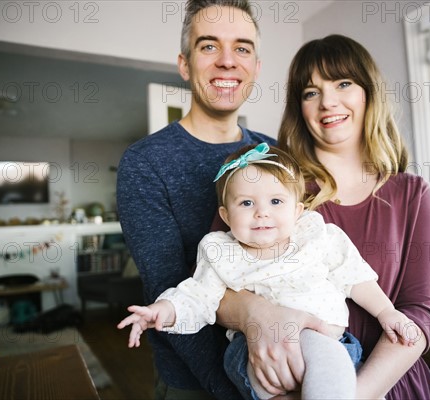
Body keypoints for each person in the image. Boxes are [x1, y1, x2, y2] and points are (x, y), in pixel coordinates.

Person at [116, 1, 324, 398]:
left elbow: (306, 245)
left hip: (287, 371)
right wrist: (235, 392)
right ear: (184, 64)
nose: (228, 61)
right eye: (209, 46)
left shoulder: (275, 154)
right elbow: (170, 288)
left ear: (256, 68)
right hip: (198, 384)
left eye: (242, 48)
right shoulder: (145, 163)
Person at [222, 34, 430, 399]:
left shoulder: (412, 193)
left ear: (367, 93)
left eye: (343, 83)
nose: (328, 102)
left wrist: (349, 394)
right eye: (311, 92)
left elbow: (419, 313)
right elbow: (217, 284)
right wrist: (256, 315)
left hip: (391, 384)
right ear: (300, 107)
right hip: (293, 387)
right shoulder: (271, 189)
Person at [118, 143, 421, 400]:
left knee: (327, 359)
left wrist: (387, 313)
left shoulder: (317, 237)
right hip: (255, 355)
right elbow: (197, 296)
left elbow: (354, 276)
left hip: (327, 344)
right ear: (225, 215)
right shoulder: (222, 251)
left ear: (297, 211)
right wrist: (162, 310)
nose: (262, 212)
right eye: (246, 202)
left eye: (276, 201)